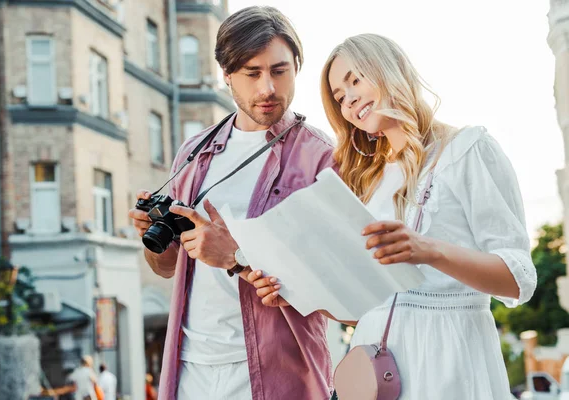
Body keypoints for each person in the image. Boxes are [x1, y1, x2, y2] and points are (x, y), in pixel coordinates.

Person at [251, 33, 537, 399]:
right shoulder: (368, 182)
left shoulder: (467, 149)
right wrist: (298, 293)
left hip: (448, 362)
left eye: (355, 80)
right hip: (373, 367)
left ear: (389, 70)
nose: (349, 99)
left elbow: (520, 278)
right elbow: (367, 307)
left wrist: (429, 250)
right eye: (339, 97)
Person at [128, 6, 335, 400]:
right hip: (191, 368)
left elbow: (332, 285)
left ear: (296, 67)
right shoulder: (194, 152)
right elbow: (168, 268)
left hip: (275, 370)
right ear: (226, 74)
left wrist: (234, 257)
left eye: (279, 71)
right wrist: (152, 239)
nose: (267, 89)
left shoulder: (320, 159)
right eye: (252, 73)